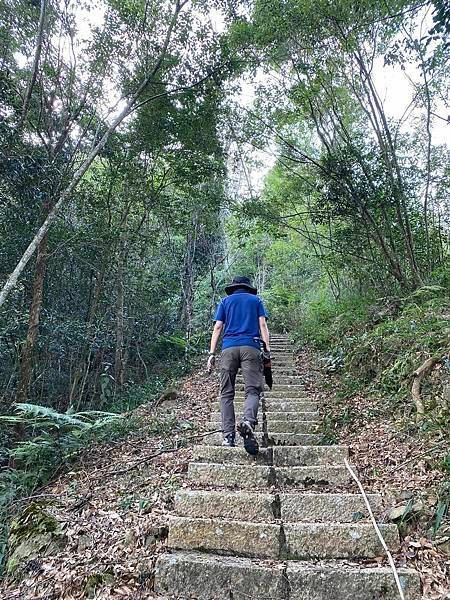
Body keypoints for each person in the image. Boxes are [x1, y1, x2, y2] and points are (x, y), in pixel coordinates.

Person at [207, 276, 270, 455]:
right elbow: (263, 324)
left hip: (228, 349)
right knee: (252, 390)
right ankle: (248, 421)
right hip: (251, 347)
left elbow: (218, 327)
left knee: (226, 393)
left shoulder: (225, 302)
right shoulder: (256, 300)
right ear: (248, 287)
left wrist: (212, 354)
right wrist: (267, 349)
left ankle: (228, 437)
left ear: (233, 288)